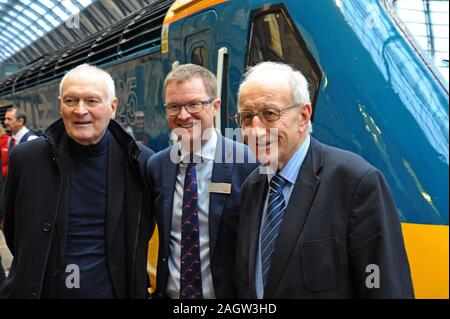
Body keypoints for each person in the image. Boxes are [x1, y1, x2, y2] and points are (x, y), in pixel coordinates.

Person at [235, 62, 414, 298]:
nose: (256, 131)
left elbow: (384, 286)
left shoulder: (355, 182)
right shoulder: (253, 186)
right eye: (247, 117)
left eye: (269, 114)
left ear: (303, 115)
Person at [0, 64, 154, 299]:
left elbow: (144, 231)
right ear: (60, 105)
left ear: (112, 107)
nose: (80, 110)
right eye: (71, 101)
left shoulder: (140, 163)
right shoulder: (26, 160)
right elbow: (14, 231)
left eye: (92, 101)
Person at [146, 64, 258, 299]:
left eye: (194, 104)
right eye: (174, 106)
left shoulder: (248, 163)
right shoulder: (157, 166)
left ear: (215, 106)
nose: (183, 115)